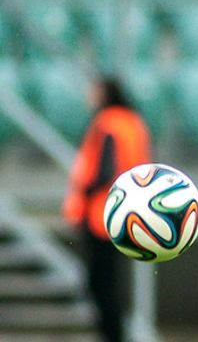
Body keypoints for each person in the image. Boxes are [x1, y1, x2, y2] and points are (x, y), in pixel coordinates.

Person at [63, 76, 152, 342]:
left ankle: (113, 336)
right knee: (109, 282)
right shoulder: (134, 122)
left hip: (101, 216)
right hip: (127, 213)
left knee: (99, 284)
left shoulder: (108, 123)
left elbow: (105, 170)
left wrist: (84, 192)